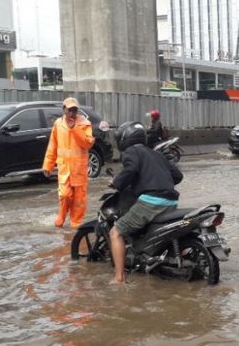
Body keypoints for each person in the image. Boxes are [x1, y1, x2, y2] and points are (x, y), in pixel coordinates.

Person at [109, 121, 183, 285]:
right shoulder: (156, 154)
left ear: (124, 139)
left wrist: (117, 182)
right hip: (171, 202)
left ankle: (119, 278)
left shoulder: (130, 152)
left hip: (151, 202)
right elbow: (178, 176)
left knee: (116, 232)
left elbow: (131, 170)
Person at [43, 97, 95, 228]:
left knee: (79, 200)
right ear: (64, 110)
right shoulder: (58, 124)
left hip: (79, 170)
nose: (72, 113)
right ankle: (61, 217)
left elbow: (87, 143)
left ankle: (76, 225)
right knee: (65, 195)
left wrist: (75, 128)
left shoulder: (84, 124)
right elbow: (52, 146)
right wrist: (48, 165)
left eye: (75, 110)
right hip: (64, 169)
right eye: (70, 110)